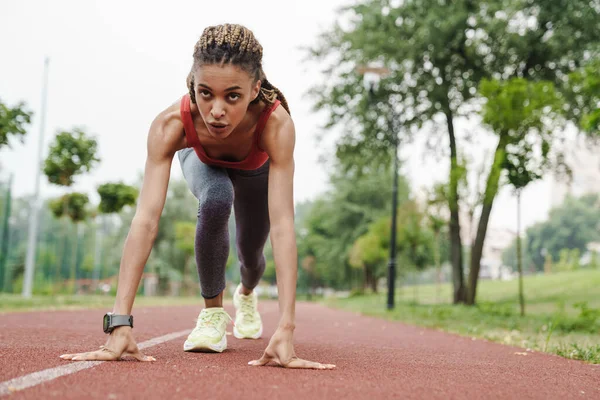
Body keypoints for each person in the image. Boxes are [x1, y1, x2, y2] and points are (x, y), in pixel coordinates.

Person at [59, 24, 335, 370]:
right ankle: (212, 315)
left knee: (251, 252)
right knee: (217, 197)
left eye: (232, 96)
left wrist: (287, 328)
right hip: (202, 160)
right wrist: (119, 323)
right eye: (206, 93)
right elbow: (146, 220)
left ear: (255, 89)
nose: (216, 110)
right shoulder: (172, 124)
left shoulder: (276, 125)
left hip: (255, 169)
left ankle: (247, 293)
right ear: (192, 83)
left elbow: (282, 226)